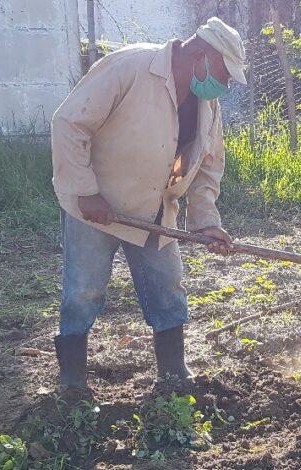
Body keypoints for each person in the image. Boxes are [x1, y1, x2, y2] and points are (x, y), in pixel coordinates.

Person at [50, 17, 245, 390]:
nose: (227, 82)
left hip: (154, 211)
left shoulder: (208, 104)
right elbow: (69, 123)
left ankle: (173, 375)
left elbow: (208, 166)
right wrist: (86, 191)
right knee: (83, 290)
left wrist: (204, 220)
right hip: (97, 208)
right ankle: (71, 382)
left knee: (167, 288)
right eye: (226, 72)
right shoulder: (130, 66)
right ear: (201, 54)